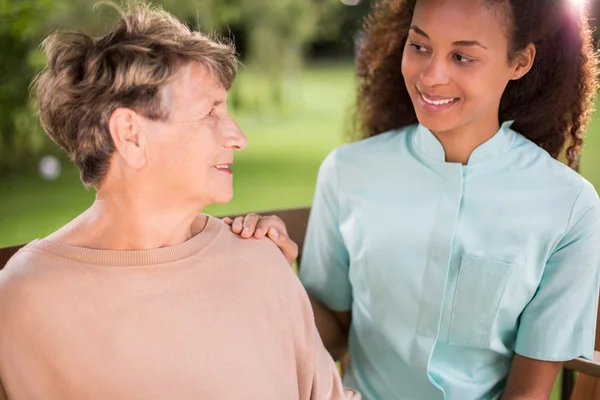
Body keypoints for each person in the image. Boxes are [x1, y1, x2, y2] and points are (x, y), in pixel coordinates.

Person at [226, 0, 600, 398]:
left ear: (519, 62)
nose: (431, 75)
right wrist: (276, 271)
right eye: (419, 46)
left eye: (462, 56)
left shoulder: (567, 206)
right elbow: (332, 339)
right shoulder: (348, 173)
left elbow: (527, 393)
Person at [0, 3, 360, 399]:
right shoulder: (23, 299)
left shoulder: (260, 258)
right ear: (132, 135)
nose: (238, 137)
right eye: (210, 112)